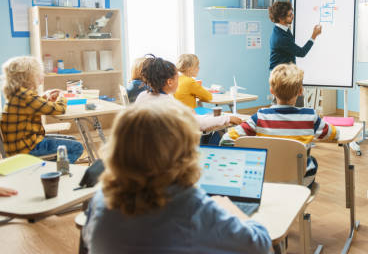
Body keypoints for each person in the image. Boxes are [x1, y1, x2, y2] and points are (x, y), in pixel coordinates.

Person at [82, 100, 271, 253]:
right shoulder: (192, 206)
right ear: (184, 152)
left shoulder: (101, 199)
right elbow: (260, 244)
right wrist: (231, 209)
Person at [222, 63, 337, 187]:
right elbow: (333, 134)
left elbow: (226, 139)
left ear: (271, 91)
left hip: (266, 180)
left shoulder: (260, 117)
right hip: (299, 182)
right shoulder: (310, 117)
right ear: (300, 91)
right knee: (312, 161)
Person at [135, 54, 241, 144]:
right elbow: (199, 123)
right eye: (177, 78)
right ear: (170, 82)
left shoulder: (143, 96)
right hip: (170, 147)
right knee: (220, 135)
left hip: (148, 145)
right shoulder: (169, 104)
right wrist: (228, 118)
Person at [1, 56, 83, 163]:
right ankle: (56, 172)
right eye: (39, 73)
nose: (42, 75)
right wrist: (62, 96)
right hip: (27, 149)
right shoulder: (26, 97)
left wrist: (44, 97)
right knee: (77, 147)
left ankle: (49, 166)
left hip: (18, 146)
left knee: (71, 140)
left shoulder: (18, 94)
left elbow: (34, 105)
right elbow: (59, 109)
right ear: (28, 77)